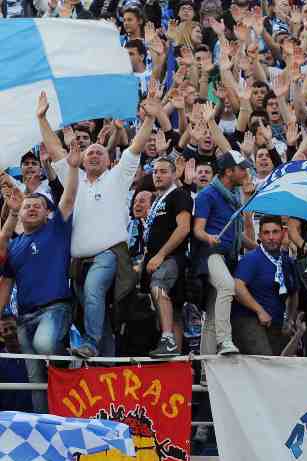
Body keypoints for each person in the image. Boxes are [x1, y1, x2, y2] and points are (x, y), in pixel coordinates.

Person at [38, 90, 155, 358]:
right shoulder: (73, 178)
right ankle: (106, 366)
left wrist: (148, 119)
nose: (92, 155)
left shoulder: (117, 178)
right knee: (96, 313)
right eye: (89, 152)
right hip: (78, 262)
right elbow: (56, 150)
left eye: (99, 153)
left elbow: (136, 146)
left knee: (93, 291)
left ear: (109, 160)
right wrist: (41, 119)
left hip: (108, 255)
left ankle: (89, 343)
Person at [0, 139, 80, 413]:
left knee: (44, 344)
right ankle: (42, 422)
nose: (31, 207)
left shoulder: (56, 229)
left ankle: (65, 367)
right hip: (23, 317)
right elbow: (6, 285)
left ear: (48, 212)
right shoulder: (15, 245)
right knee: (34, 378)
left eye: (38, 205)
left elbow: (68, 198)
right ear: (19, 213)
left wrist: (71, 168)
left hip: (55, 309)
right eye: (27, 206)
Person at [193, 150, 250, 356]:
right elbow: (198, 229)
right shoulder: (207, 195)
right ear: (228, 171)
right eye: (241, 168)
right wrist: (208, 237)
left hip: (228, 257)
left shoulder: (234, 196)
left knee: (210, 317)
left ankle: (206, 373)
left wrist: (256, 247)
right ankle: (225, 341)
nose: (245, 172)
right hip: (210, 254)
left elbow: (237, 235)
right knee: (228, 285)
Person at [144, 158, 193, 357]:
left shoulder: (179, 194)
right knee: (175, 310)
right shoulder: (158, 200)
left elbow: (184, 228)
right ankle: (176, 360)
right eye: (155, 171)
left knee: (158, 285)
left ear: (174, 175)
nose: (158, 175)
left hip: (172, 258)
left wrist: (161, 255)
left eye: (164, 171)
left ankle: (167, 338)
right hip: (157, 259)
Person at [232, 215, 299, 355]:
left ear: (283, 233)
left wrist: (290, 319)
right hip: (249, 320)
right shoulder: (252, 259)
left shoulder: (288, 261)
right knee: (265, 362)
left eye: (275, 232)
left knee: (277, 368)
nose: (271, 237)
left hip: (276, 324)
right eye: (266, 233)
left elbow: (294, 292)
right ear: (260, 236)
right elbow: (237, 286)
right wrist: (259, 311)